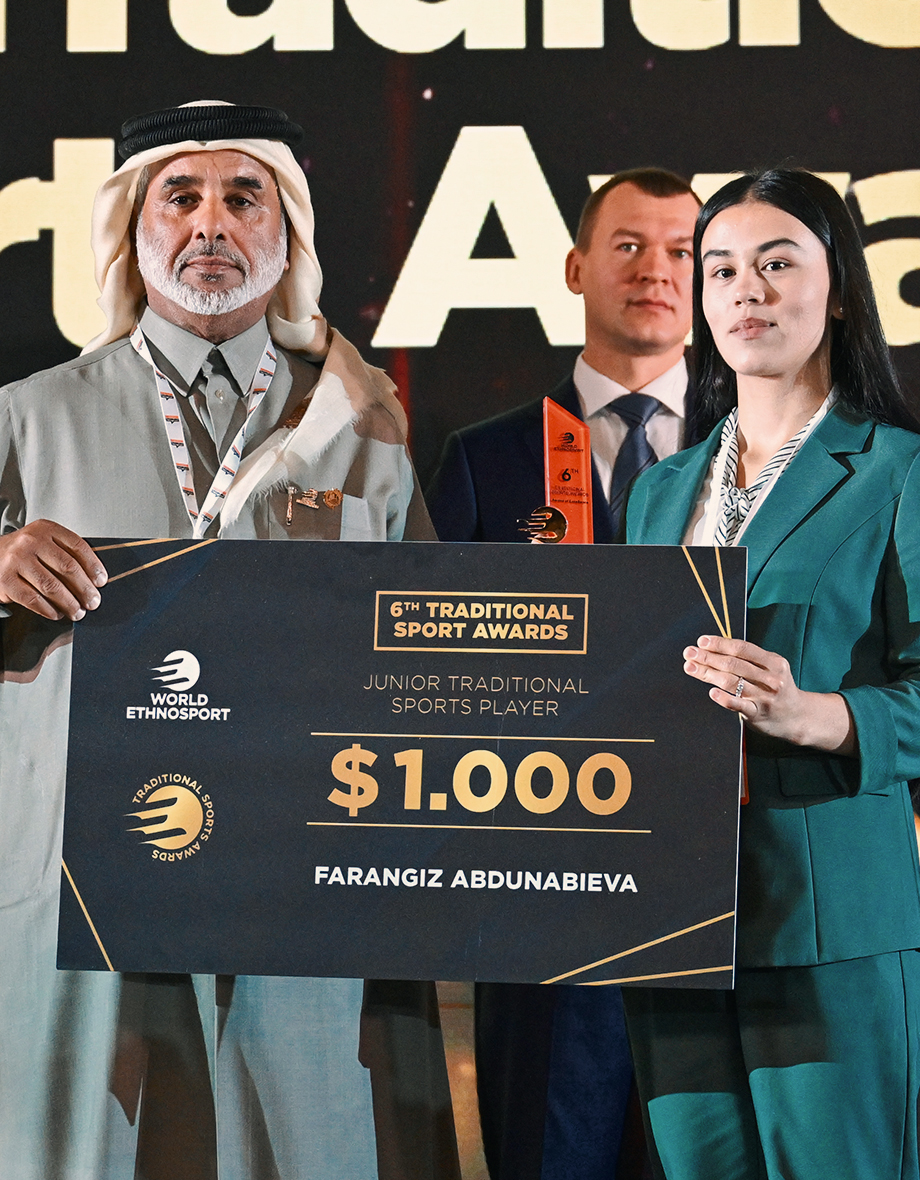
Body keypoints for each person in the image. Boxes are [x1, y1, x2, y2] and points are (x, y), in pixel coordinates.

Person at [0, 101, 457, 1179]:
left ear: (286, 236)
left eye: (244, 197)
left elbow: (432, 654)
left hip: (303, 892)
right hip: (81, 895)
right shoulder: (26, 417)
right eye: (182, 196)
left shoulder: (363, 425)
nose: (212, 222)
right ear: (133, 229)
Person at [621, 168, 920, 1180]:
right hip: (671, 920)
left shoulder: (896, 471)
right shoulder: (659, 491)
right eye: (720, 269)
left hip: (828, 922)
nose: (745, 289)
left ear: (837, 292)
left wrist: (817, 714)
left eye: (777, 263)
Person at [426, 170, 700, 1180]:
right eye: (628, 246)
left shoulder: (762, 451)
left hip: (719, 904)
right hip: (542, 914)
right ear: (577, 268)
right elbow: (424, 674)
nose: (656, 270)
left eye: (682, 251)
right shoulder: (486, 459)